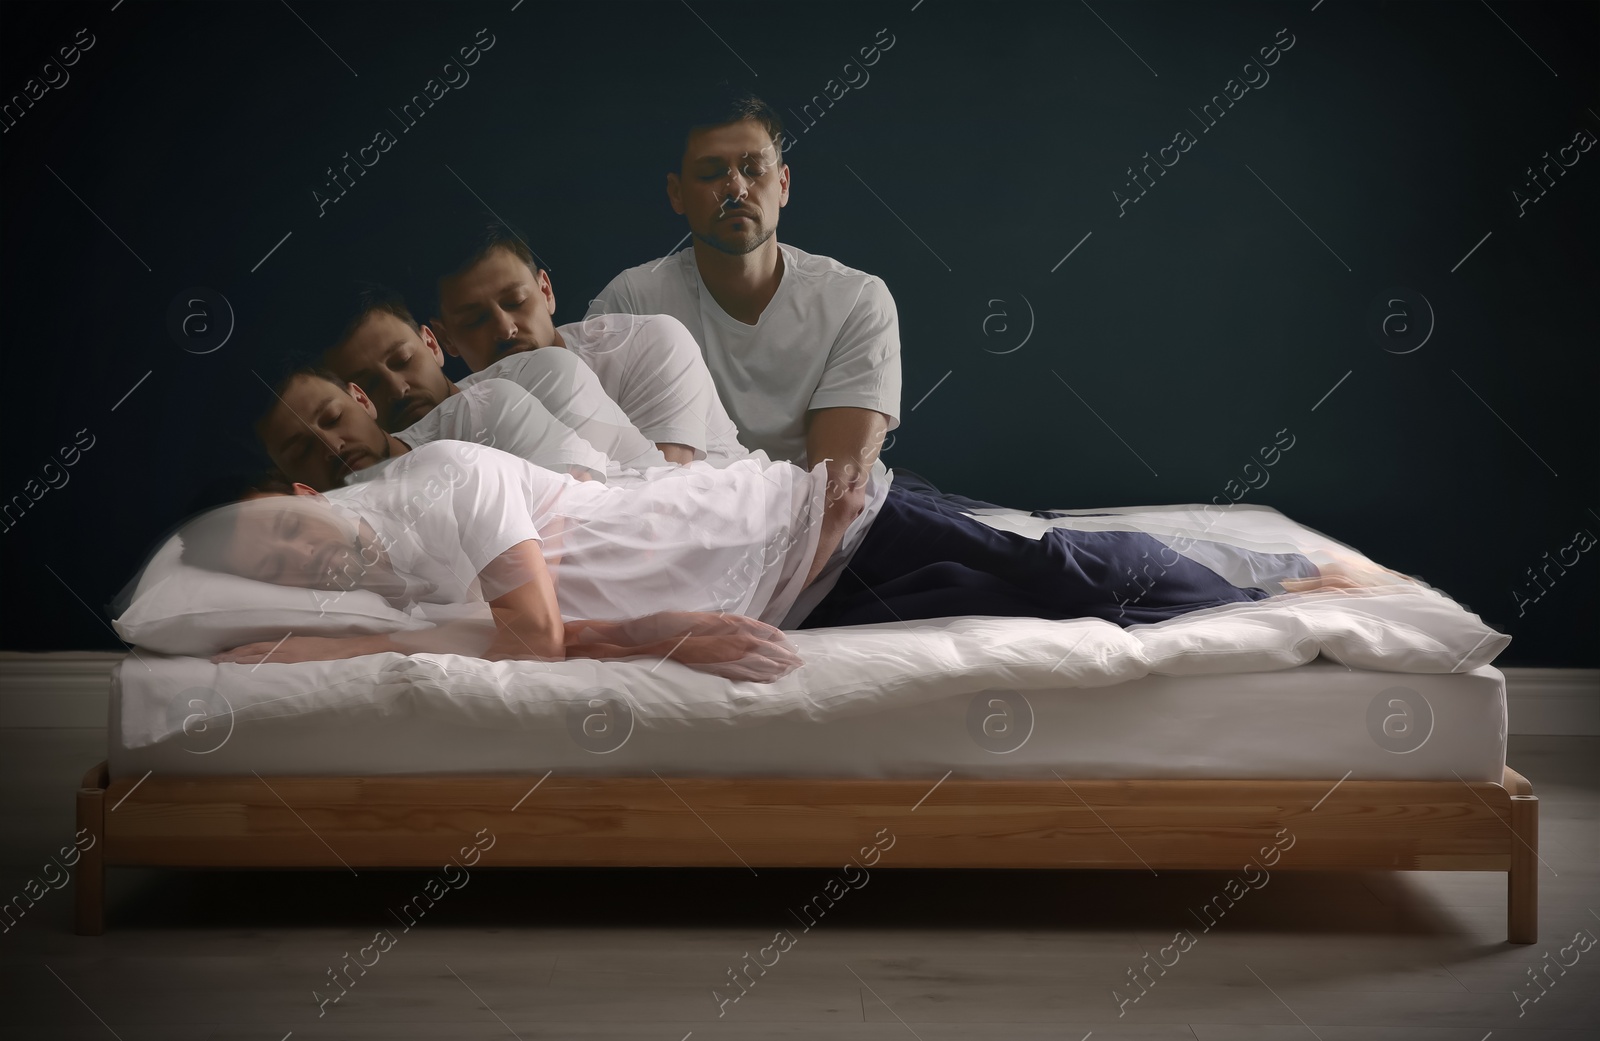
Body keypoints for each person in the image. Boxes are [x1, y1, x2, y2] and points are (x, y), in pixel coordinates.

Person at [182, 442, 1380, 676]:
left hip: (810, 523)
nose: (302, 556)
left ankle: (1281, 585)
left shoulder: (444, 476)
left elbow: (530, 641)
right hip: (799, 605)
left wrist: (640, 636)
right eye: (277, 566)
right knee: (1042, 619)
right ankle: (1241, 578)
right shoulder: (403, 583)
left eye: (287, 529)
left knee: (1060, 569)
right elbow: (491, 638)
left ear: (311, 493)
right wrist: (290, 640)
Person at [427, 226, 750, 466]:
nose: (505, 329)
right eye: (474, 321)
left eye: (516, 301)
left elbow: (665, 496)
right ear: (446, 340)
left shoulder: (649, 343)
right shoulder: (462, 421)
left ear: (546, 292)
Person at [321, 283, 667, 475]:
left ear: (432, 344)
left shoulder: (541, 377)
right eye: (369, 385)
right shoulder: (387, 479)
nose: (398, 389)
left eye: (402, 361)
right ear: (357, 399)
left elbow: (592, 510)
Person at [252, 363, 609, 492]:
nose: (331, 447)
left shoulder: (484, 412)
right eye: (302, 450)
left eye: (332, 419)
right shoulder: (333, 547)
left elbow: (579, 498)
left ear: (362, 401)